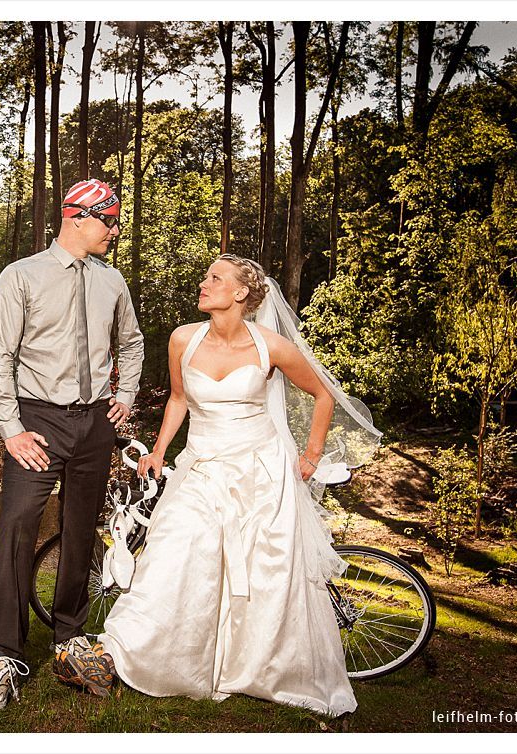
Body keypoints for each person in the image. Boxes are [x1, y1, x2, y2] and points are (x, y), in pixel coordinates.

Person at [93, 254, 381, 716]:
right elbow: (179, 398)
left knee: (262, 571)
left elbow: (323, 394)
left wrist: (310, 455)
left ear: (241, 293)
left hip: (260, 468)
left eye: (214, 278)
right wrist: (160, 451)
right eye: (206, 276)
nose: (204, 284)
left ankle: (253, 666)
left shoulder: (272, 346)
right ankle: (122, 652)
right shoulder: (183, 339)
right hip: (201, 464)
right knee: (175, 548)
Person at [0, 179, 145, 710]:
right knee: (18, 527)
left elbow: (132, 344)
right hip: (36, 423)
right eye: (109, 221)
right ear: (78, 218)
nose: (114, 231)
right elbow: (0, 357)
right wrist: (10, 428)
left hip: (95, 426)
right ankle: (6, 655)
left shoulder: (112, 282)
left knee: (80, 531)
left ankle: (70, 637)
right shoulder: (20, 276)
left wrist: (127, 396)